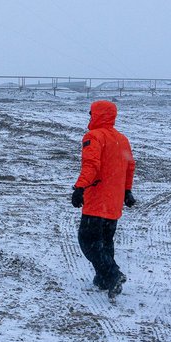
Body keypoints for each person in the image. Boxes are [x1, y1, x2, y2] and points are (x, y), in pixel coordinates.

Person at [70, 100, 137, 299]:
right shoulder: (122, 139)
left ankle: (112, 273)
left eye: (91, 113)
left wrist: (79, 187)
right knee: (105, 240)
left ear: (98, 115)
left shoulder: (93, 136)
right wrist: (127, 192)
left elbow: (91, 165)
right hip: (114, 200)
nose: (89, 117)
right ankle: (102, 278)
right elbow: (130, 166)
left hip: (98, 199)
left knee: (88, 240)